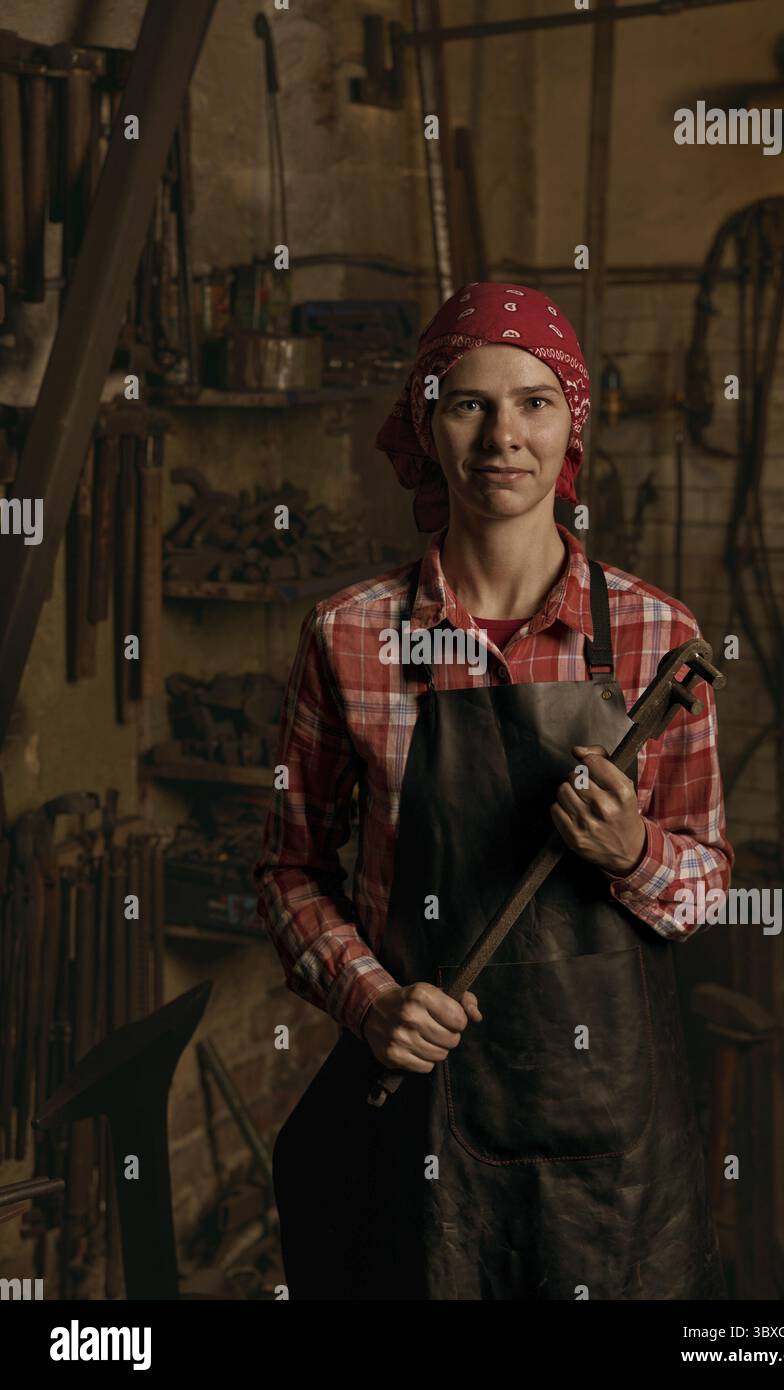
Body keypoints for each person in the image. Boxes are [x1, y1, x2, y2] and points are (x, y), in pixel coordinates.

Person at [254, 281, 734, 1301]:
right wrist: (368, 999)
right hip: (417, 1116)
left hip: (607, 1153)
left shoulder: (656, 640)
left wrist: (632, 853)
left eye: (532, 402)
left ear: (571, 431)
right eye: (467, 403)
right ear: (425, 425)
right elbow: (289, 869)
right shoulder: (349, 635)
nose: (500, 436)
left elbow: (702, 890)